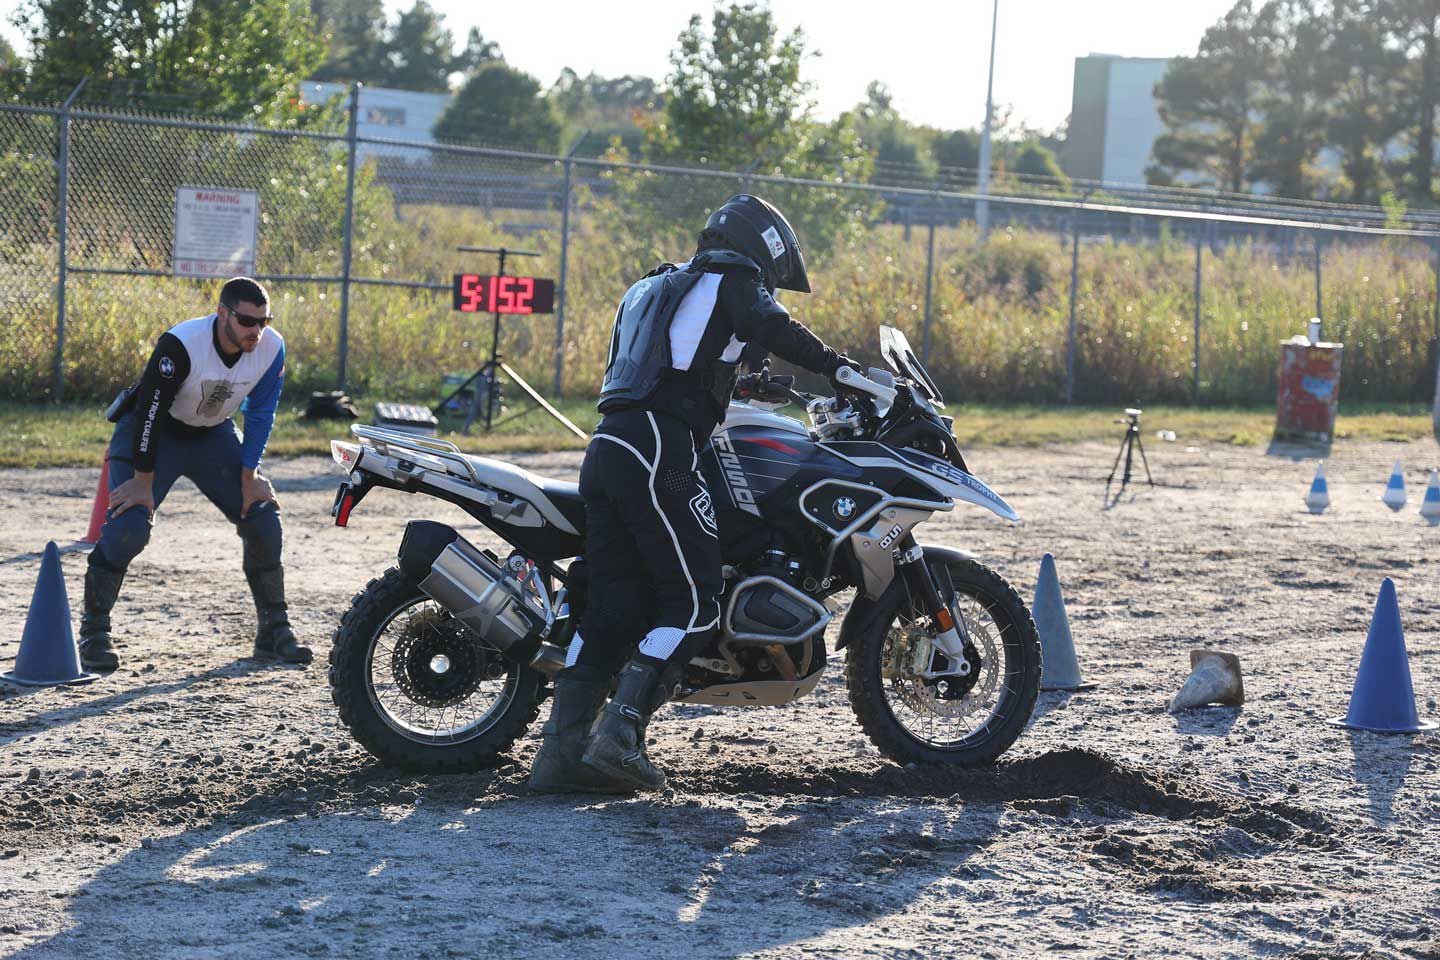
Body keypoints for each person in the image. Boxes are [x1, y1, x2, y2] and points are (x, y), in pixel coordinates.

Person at [529, 195, 858, 794]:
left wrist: (748, 381)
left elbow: (678, 360)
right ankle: (619, 736)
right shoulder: (732, 278)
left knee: (610, 610)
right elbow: (772, 327)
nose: (770, 289)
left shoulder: (653, 287)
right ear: (762, 251)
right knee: (696, 599)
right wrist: (841, 369)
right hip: (661, 450)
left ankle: (559, 758)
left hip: (608, 448)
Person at [78, 277, 311, 672]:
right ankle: (94, 631)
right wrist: (144, 481)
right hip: (156, 431)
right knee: (129, 525)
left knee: (262, 517)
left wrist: (249, 473)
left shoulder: (272, 347)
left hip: (212, 435)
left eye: (263, 321)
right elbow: (148, 413)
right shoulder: (181, 345)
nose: (256, 330)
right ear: (222, 313)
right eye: (246, 321)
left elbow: (260, 412)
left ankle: (274, 630)